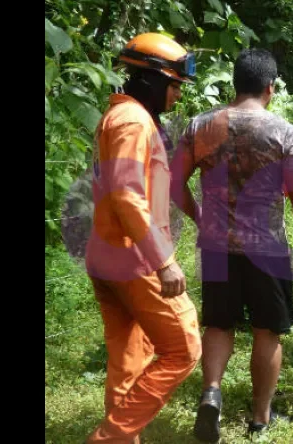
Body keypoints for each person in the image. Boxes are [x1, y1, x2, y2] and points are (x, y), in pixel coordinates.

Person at [171, 48, 293, 439]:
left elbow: (173, 184)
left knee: (219, 324)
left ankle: (211, 394)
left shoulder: (200, 126)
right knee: (266, 331)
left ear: (235, 84)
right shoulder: (283, 131)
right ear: (269, 88)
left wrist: (200, 217)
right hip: (267, 247)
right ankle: (260, 417)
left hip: (216, 246)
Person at [84, 32, 201, 443]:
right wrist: (163, 260)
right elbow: (126, 194)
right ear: (149, 80)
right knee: (184, 348)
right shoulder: (133, 121)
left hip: (109, 256)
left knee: (129, 358)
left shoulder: (122, 117)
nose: (177, 95)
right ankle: (109, 438)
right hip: (134, 260)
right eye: (173, 85)